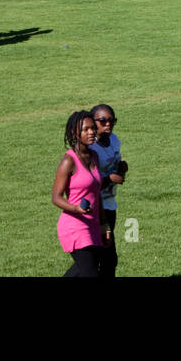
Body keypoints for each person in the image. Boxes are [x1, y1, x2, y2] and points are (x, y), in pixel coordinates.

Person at [53, 110, 104, 277]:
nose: (91, 132)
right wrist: (76, 209)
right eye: (85, 129)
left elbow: (97, 194)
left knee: (83, 270)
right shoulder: (68, 161)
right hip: (75, 224)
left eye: (93, 128)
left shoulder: (94, 156)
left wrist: (105, 226)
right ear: (74, 133)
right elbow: (56, 197)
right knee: (90, 273)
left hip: (93, 224)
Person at [89, 104, 126, 278]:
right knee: (103, 258)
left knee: (106, 258)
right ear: (92, 122)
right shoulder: (91, 149)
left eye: (112, 120)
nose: (108, 124)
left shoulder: (114, 140)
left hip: (110, 205)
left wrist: (121, 168)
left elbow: (114, 164)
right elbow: (88, 183)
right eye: (102, 121)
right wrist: (110, 179)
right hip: (96, 209)